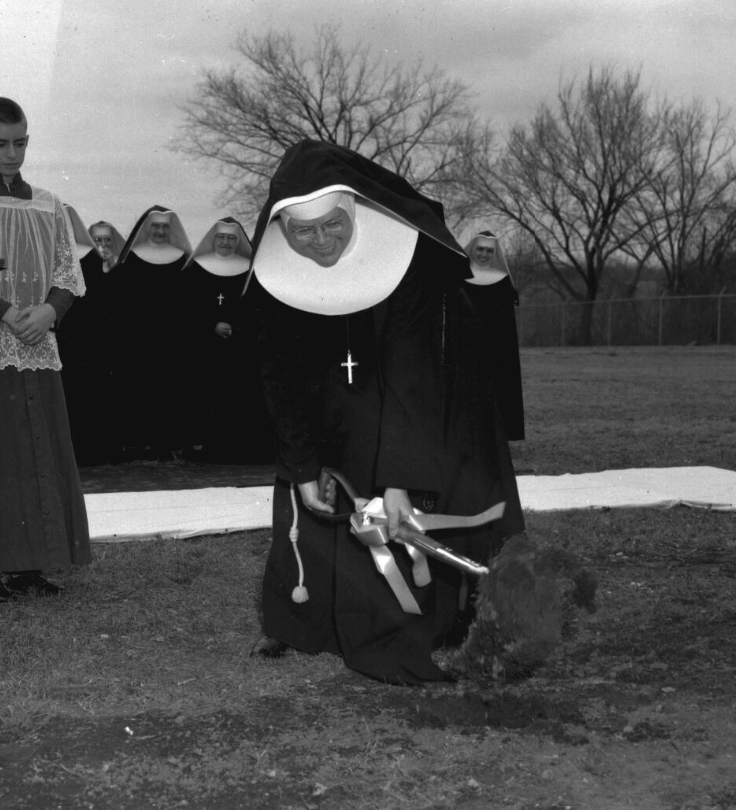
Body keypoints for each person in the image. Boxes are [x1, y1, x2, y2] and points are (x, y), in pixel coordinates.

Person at [246, 140, 524, 684]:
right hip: (325, 408)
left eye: (332, 225)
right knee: (313, 506)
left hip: (402, 403)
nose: (320, 241)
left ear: (351, 211)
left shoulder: (408, 259)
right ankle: (304, 622)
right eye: (303, 232)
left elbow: (411, 376)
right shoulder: (273, 283)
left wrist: (399, 480)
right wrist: (302, 468)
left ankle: (422, 617)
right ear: (282, 230)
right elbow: (279, 379)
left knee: (394, 517)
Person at [0, 97, 91, 602]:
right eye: (0, 143)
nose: (11, 153)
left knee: (36, 453)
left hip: (38, 348)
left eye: (20, 142)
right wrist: (5, 312)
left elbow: (68, 274)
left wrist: (50, 311)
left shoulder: (49, 204)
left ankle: (30, 565)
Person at [181, 218, 272, 461]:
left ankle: (240, 448)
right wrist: (211, 325)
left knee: (240, 396)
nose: (225, 242)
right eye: (221, 237)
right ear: (214, 238)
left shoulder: (248, 269)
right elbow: (186, 309)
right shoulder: (197, 268)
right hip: (205, 348)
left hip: (240, 347)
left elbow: (257, 309)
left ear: (238, 241)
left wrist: (237, 328)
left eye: (231, 238)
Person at [108, 205, 193, 458]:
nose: (160, 231)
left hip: (172, 339)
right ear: (147, 228)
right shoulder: (132, 257)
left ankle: (168, 442)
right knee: (139, 390)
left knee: (170, 391)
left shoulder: (181, 258)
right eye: (155, 226)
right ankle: (139, 443)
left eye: (165, 226)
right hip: (138, 339)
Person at [57, 210, 121, 465]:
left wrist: (109, 269)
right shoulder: (79, 261)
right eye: (97, 240)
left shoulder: (117, 266)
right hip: (78, 339)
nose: (102, 246)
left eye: (107, 241)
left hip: (106, 341)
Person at [463, 230, 525, 440]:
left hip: (495, 349)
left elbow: (506, 327)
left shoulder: (502, 281)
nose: (483, 254)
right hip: (466, 345)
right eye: (480, 249)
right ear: (473, 249)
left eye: (489, 250)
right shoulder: (460, 278)